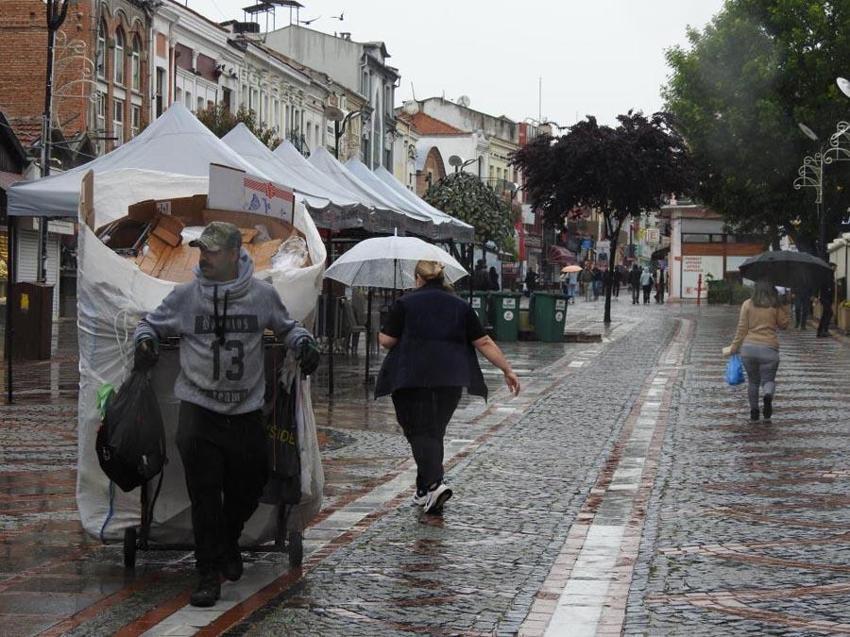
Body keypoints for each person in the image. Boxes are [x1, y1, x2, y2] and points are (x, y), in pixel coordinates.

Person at [133, 222, 320, 608]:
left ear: (235, 254)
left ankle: (226, 542)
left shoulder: (261, 295)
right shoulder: (186, 296)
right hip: (198, 411)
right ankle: (206, 575)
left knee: (250, 483)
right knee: (204, 495)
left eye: (214, 251)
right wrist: (146, 341)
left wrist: (304, 344)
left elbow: (289, 328)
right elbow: (148, 323)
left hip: (245, 411)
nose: (205, 258)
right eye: (202, 250)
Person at [376, 261, 521, 514]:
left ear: (418, 277)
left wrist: (380, 328)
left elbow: (388, 341)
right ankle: (423, 490)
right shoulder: (460, 305)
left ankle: (435, 483)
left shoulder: (405, 303)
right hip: (450, 379)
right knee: (434, 431)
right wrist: (507, 369)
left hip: (412, 378)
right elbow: (483, 341)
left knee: (418, 431)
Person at [723, 280, 790, 422]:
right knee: (768, 380)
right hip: (769, 349)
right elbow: (784, 325)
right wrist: (784, 305)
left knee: (753, 382)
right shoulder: (775, 305)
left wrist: (734, 348)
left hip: (749, 349)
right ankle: (767, 396)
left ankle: (754, 412)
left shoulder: (747, 304)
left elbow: (742, 329)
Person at [817, 263, 837, 337]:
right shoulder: (827, 275)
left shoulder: (830, 275)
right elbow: (825, 286)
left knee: (826, 314)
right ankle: (823, 330)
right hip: (825, 298)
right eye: (834, 267)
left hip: (827, 298)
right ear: (831, 267)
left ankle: (821, 331)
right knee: (829, 313)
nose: (835, 269)